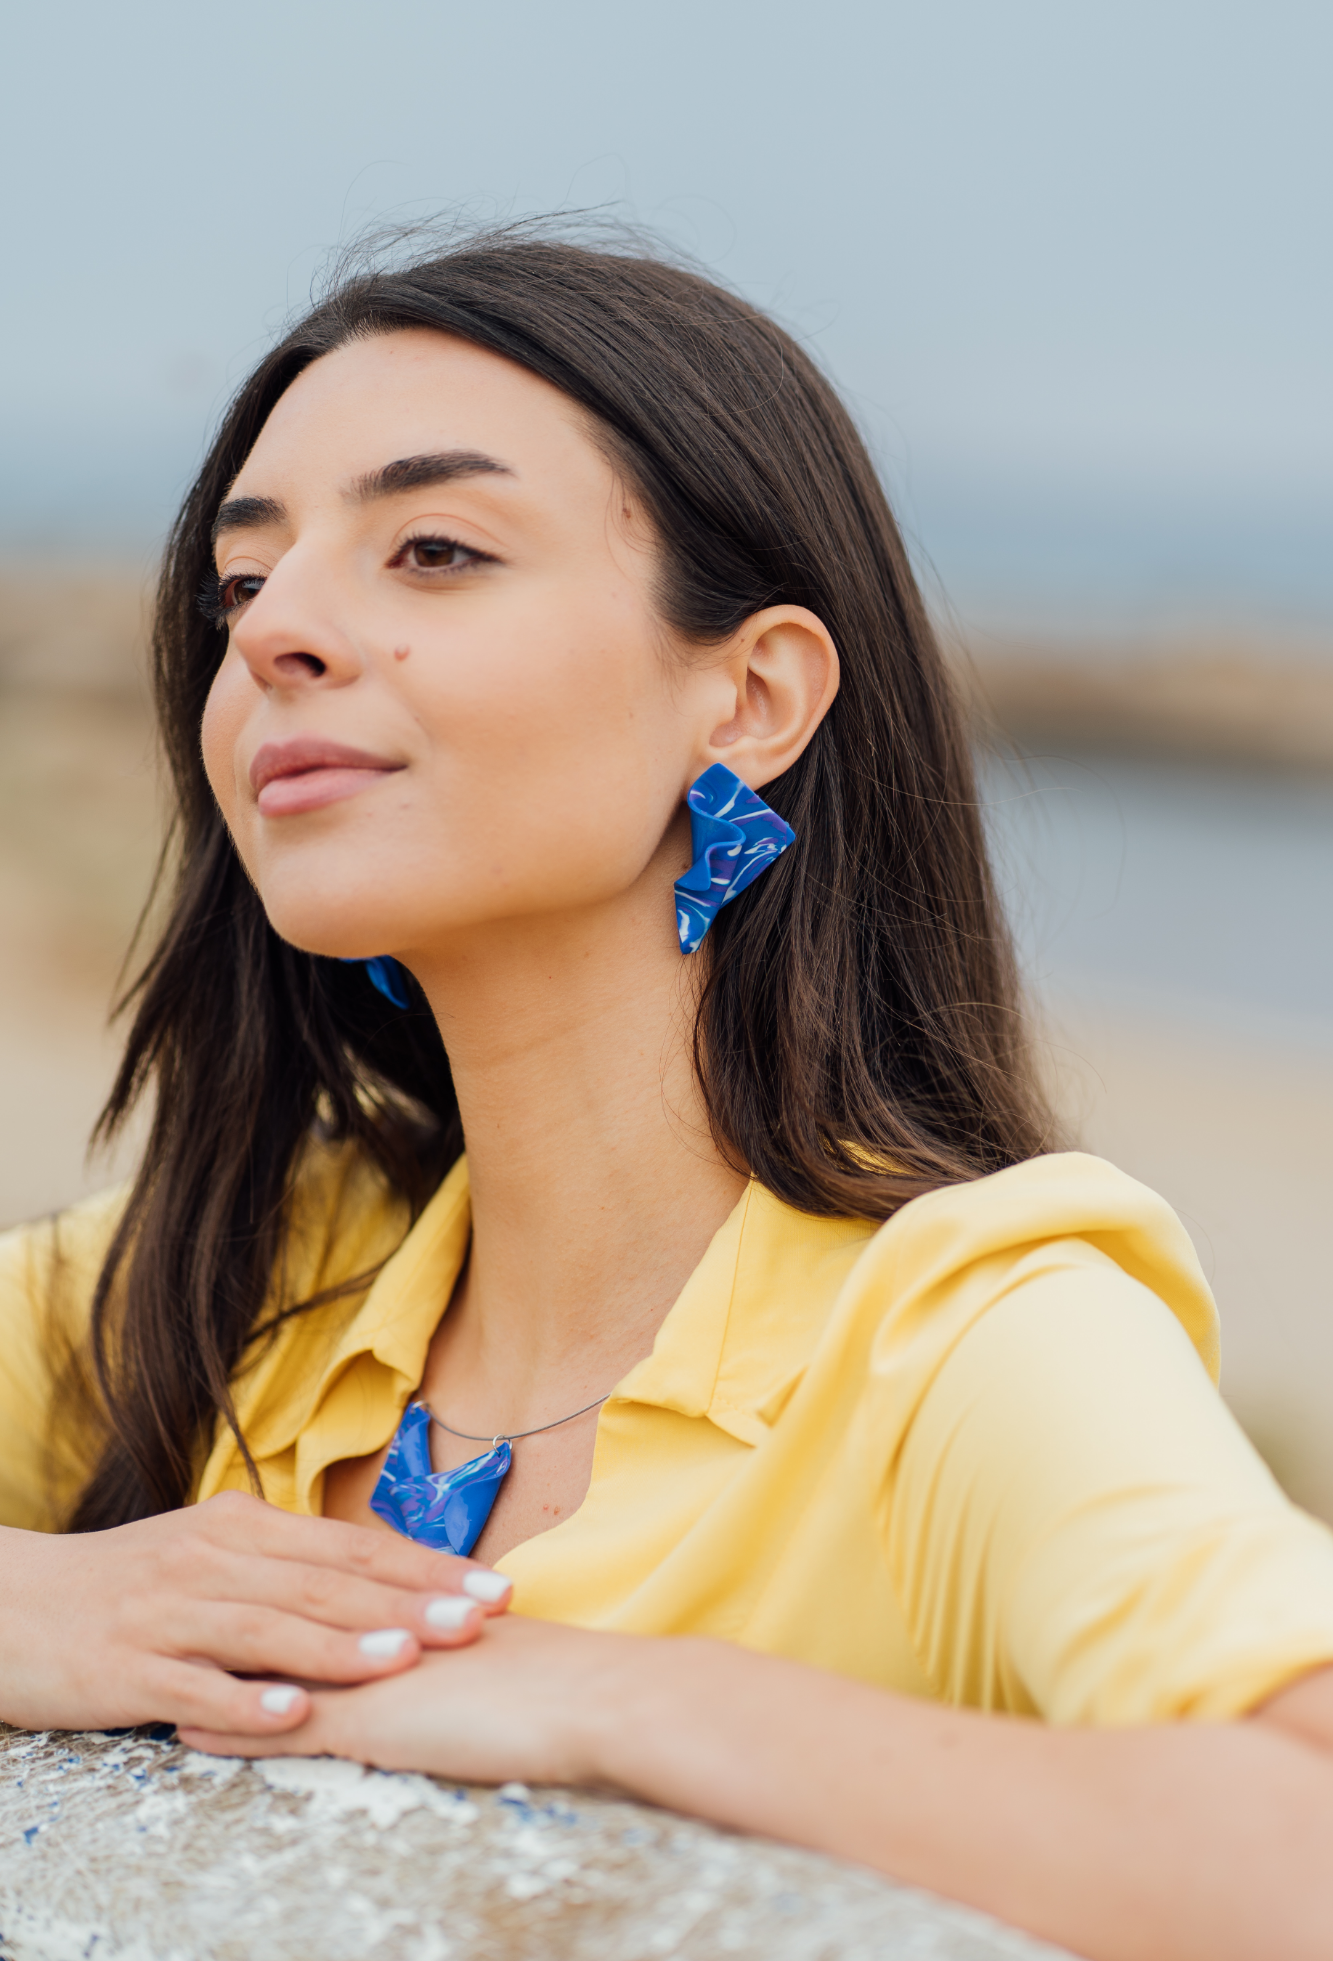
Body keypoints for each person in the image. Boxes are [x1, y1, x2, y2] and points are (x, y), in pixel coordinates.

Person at [3, 227, 1333, 1961]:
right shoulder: (228, 1263)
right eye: (242, 585)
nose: (280, 639)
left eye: (436, 549)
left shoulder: (962, 1325)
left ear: (753, 693)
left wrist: (622, 1706)